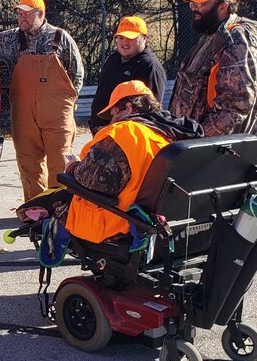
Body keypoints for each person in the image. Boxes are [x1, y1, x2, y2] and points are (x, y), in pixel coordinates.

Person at [0, 0, 85, 200]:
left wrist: (67, 102)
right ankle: (36, 209)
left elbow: (78, 73)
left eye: (27, 14)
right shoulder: (10, 38)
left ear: (40, 14)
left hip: (57, 111)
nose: (22, 18)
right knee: (28, 162)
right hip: (24, 111)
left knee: (60, 161)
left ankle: (60, 208)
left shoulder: (59, 37)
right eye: (19, 14)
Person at [64, 80, 203, 244]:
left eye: (114, 113)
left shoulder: (124, 132)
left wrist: (72, 166)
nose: (112, 121)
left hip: (117, 226)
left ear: (128, 108)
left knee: (54, 200)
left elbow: (91, 181)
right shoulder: (170, 134)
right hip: (158, 225)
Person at [168, 0, 257, 164]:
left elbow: (236, 105)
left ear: (223, 6)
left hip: (223, 153)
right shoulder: (212, 37)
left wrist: (197, 140)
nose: (195, 8)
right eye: (193, 4)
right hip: (206, 148)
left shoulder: (237, 39)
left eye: (202, 3)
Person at [87, 16, 167, 133]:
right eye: (121, 37)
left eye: (131, 38)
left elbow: (150, 110)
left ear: (145, 38)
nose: (124, 42)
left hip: (127, 138)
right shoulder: (114, 59)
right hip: (103, 134)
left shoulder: (150, 67)